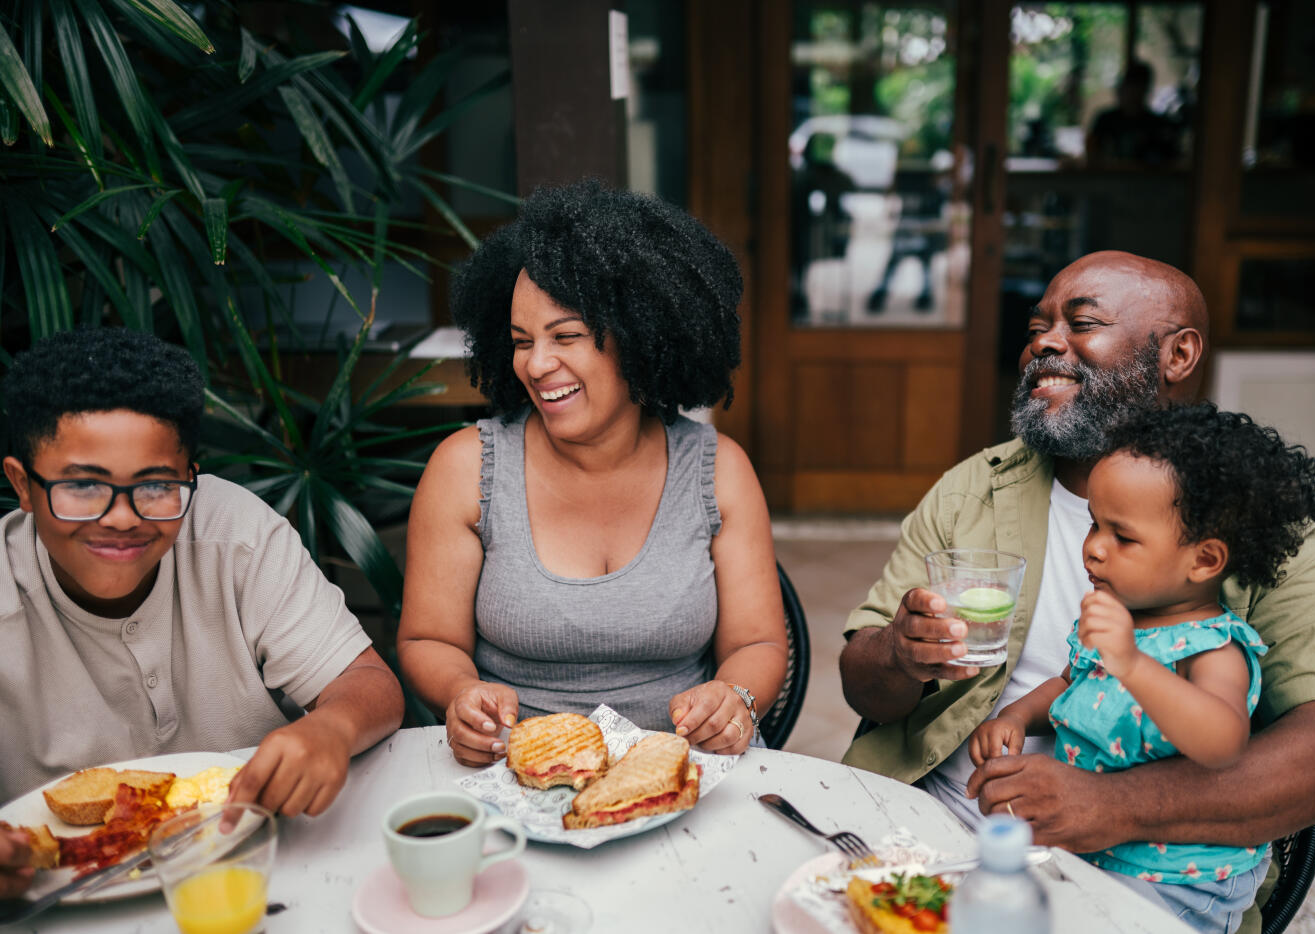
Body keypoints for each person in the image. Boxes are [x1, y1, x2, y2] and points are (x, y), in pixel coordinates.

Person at [838, 251, 1315, 934]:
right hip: (926, 825)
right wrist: (898, 655)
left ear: (1177, 354)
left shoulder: (1252, 520)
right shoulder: (975, 487)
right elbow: (865, 687)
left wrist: (1111, 804)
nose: (1045, 341)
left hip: (1133, 872)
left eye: (1081, 322)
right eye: (1039, 325)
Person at [398, 180, 788, 768]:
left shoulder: (719, 469)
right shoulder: (467, 467)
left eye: (567, 336)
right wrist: (461, 691)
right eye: (522, 341)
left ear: (639, 338)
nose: (535, 364)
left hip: (685, 770)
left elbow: (757, 642)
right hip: (517, 772)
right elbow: (429, 638)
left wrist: (732, 697)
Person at [0, 328, 404, 896]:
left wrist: (332, 727)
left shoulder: (234, 533)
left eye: (156, 484)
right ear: (22, 483)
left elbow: (368, 683)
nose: (120, 517)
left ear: (190, 474)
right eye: (84, 485)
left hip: (266, 869)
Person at [969, 403, 1315, 934]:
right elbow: (1076, 684)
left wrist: (1132, 663)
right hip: (1096, 858)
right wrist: (1018, 718)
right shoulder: (1122, 621)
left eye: (1122, 537)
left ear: (1205, 561)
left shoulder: (1211, 648)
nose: (1093, 548)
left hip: (1179, 884)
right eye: (1094, 524)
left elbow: (1222, 740)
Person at [1086, 60, 1183, 168]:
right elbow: (1091, 154)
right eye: (1130, 86)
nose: (1133, 93)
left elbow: (1171, 161)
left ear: (1145, 90)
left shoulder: (1158, 125)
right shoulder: (1105, 120)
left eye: (1138, 87)